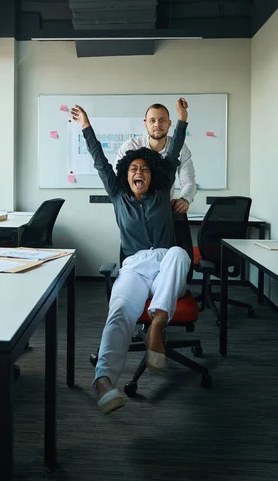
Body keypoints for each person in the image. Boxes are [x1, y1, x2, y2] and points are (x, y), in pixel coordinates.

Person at [70, 98, 191, 414]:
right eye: (134, 169)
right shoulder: (118, 194)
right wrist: (86, 126)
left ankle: (157, 323)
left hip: (167, 262)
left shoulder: (162, 194)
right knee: (120, 308)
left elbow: (174, 152)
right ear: (125, 174)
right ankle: (103, 381)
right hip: (135, 267)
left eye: (146, 169)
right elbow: (99, 160)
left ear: (154, 177)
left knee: (180, 253)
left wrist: (182, 120)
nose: (139, 172)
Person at [114, 102, 196, 213]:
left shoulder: (180, 148)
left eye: (162, 120)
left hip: (162, 211)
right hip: (134, 210)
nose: (157, 124)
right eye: (152, 120)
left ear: (169, 123)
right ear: (145, 123)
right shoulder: (131, 146)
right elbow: (117, 179)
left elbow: (188, 181)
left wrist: (185, 199)